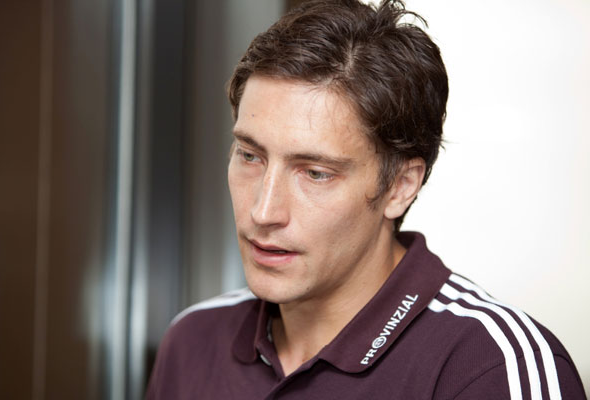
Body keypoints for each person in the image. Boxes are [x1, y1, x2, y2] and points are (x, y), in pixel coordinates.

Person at [146, 0, 586, 398]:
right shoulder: (192, 340)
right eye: (250, 155)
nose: (263, 211)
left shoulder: (492, 366)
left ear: (401, 186)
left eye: (315, 173)